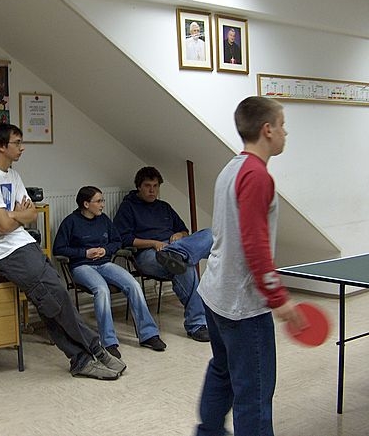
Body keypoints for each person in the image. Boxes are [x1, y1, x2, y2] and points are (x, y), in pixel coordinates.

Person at [0, 123, 126, 380]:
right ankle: (94, 348)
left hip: (23, 244)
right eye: (17, 143)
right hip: (5, 251)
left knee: (51, 299)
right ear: (1, 146)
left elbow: (31, 214)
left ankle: (80, 359)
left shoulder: (13, 176)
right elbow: (2, 227)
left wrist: (12, 215)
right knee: (54, 296)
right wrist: (14, 216)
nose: (22, 148)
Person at [195, 97, 306, 436]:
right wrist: (279, 298)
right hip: (242, 305)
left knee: (222, 371)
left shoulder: (231, 168)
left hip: (214, 292)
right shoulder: (258, 176)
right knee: (254, 392)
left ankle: (208, 432)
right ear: (267, 129)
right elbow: (254, 246)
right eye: (282, 125)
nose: (286, 132)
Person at [53, 185, 167, 359]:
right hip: (82, 266)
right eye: (98, 201)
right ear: (86, 204)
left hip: (104, 263)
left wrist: (106, 250)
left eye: (102, 201)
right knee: (102, 289)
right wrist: (84, 253)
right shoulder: (71, 222)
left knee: (133, 284)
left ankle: (148, 334)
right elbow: (59, 249)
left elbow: (117, 242)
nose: (102, 205)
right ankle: (108, 342)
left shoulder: (104, 220)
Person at [113, 166, 212, 342]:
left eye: (156, 186)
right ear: (139, 187)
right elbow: (123, 239)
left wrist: (179, 235)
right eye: (147, 186)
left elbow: (184, 230)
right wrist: (153, 243)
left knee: (210, 234)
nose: (152, 190)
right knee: (184, 266)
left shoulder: (164, 207)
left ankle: (177, 253)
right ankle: (197, 325)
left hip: (172, 248)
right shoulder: (128, 207)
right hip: (147, 254)